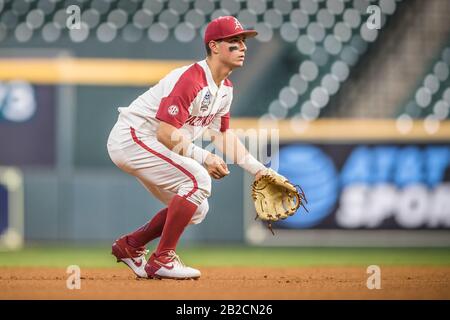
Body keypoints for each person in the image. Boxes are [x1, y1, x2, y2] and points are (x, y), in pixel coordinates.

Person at [107, 16, 268, 280]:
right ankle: (162, 259)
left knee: (198, 208)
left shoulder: (225, 89)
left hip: (152, 143)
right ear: (214, 46)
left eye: (244, 41)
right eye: (235, 41)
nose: (243, 47)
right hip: (133, 137)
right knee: (199, 179)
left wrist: (259, 170)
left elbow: (221, 135)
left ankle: (131, 245)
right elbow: (165, 132)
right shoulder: (191, 79)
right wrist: (203, 157)